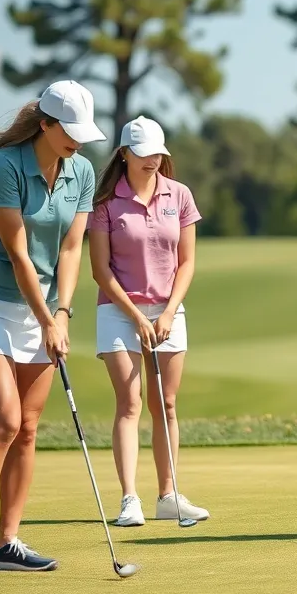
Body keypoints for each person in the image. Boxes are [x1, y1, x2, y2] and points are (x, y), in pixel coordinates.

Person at [0, 80, 104, 576]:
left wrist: (62, 314)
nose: (77, 140)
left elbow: (72, 249)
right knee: (6, 422)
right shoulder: (4, 167)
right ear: (45, 125)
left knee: (29, 429)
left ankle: (7, 542)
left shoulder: (81, 170)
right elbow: (18, 255)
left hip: (45, 310)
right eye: (69, 131)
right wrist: (47, 318)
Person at [87, 116, 207, 527]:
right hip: (118, 311)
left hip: (169, 310)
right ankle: (129, 499)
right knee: (130, 403)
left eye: (158, 153)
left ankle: (168, 494)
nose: (152, 160)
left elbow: (187, 262)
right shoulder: (106, 203)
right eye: (143, 154)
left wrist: (170, 310)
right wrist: (136, 315)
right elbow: (100, 270)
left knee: (167, 404)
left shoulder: (180, 195)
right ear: (124, 154)